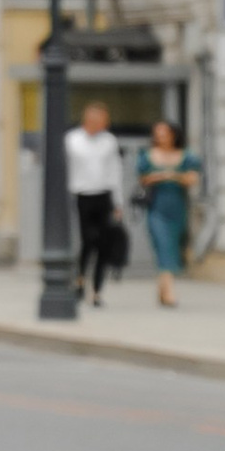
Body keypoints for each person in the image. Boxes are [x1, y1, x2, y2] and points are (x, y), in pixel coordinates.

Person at [65, 96, 129, 302]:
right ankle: (80, 278)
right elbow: (65, 170)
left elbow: (115, 172)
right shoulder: (72, 139)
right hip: (82, 195)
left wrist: (118, 203)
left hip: (104, 195)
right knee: (87, 240)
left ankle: (97, 289)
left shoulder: (109, 141)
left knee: (104, 243)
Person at [136, 115, 204, 307]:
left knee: (172, 246)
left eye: (165, 134)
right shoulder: (147, 155)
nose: (161, 137)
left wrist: (169, 175)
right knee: (162, 243)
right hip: (156, 206)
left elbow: (192, 179)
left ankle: (162, 288)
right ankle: (170, 292)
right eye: (158, 134)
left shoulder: (186, 156)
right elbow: (143, 178)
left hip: (177, 206)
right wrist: (165, 176)